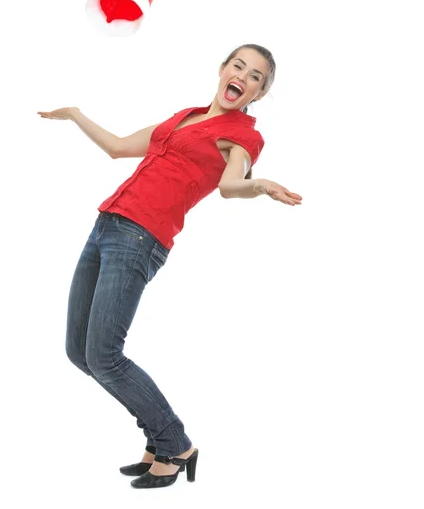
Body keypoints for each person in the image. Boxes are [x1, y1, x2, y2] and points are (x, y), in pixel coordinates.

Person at [37, 44, 302, 489]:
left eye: (256, 76)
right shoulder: (185, 117)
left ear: (259, 92)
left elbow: (231, 184)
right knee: (79, 352)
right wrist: (77, 115)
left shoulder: (241, 135)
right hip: (105, 225)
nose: (243, 76)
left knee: (104, 356)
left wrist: (258, 185)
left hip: (140, 238)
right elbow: (120, 148)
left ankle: (175, 443)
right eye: (238, 66)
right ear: (222, 70)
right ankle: (158, 439)